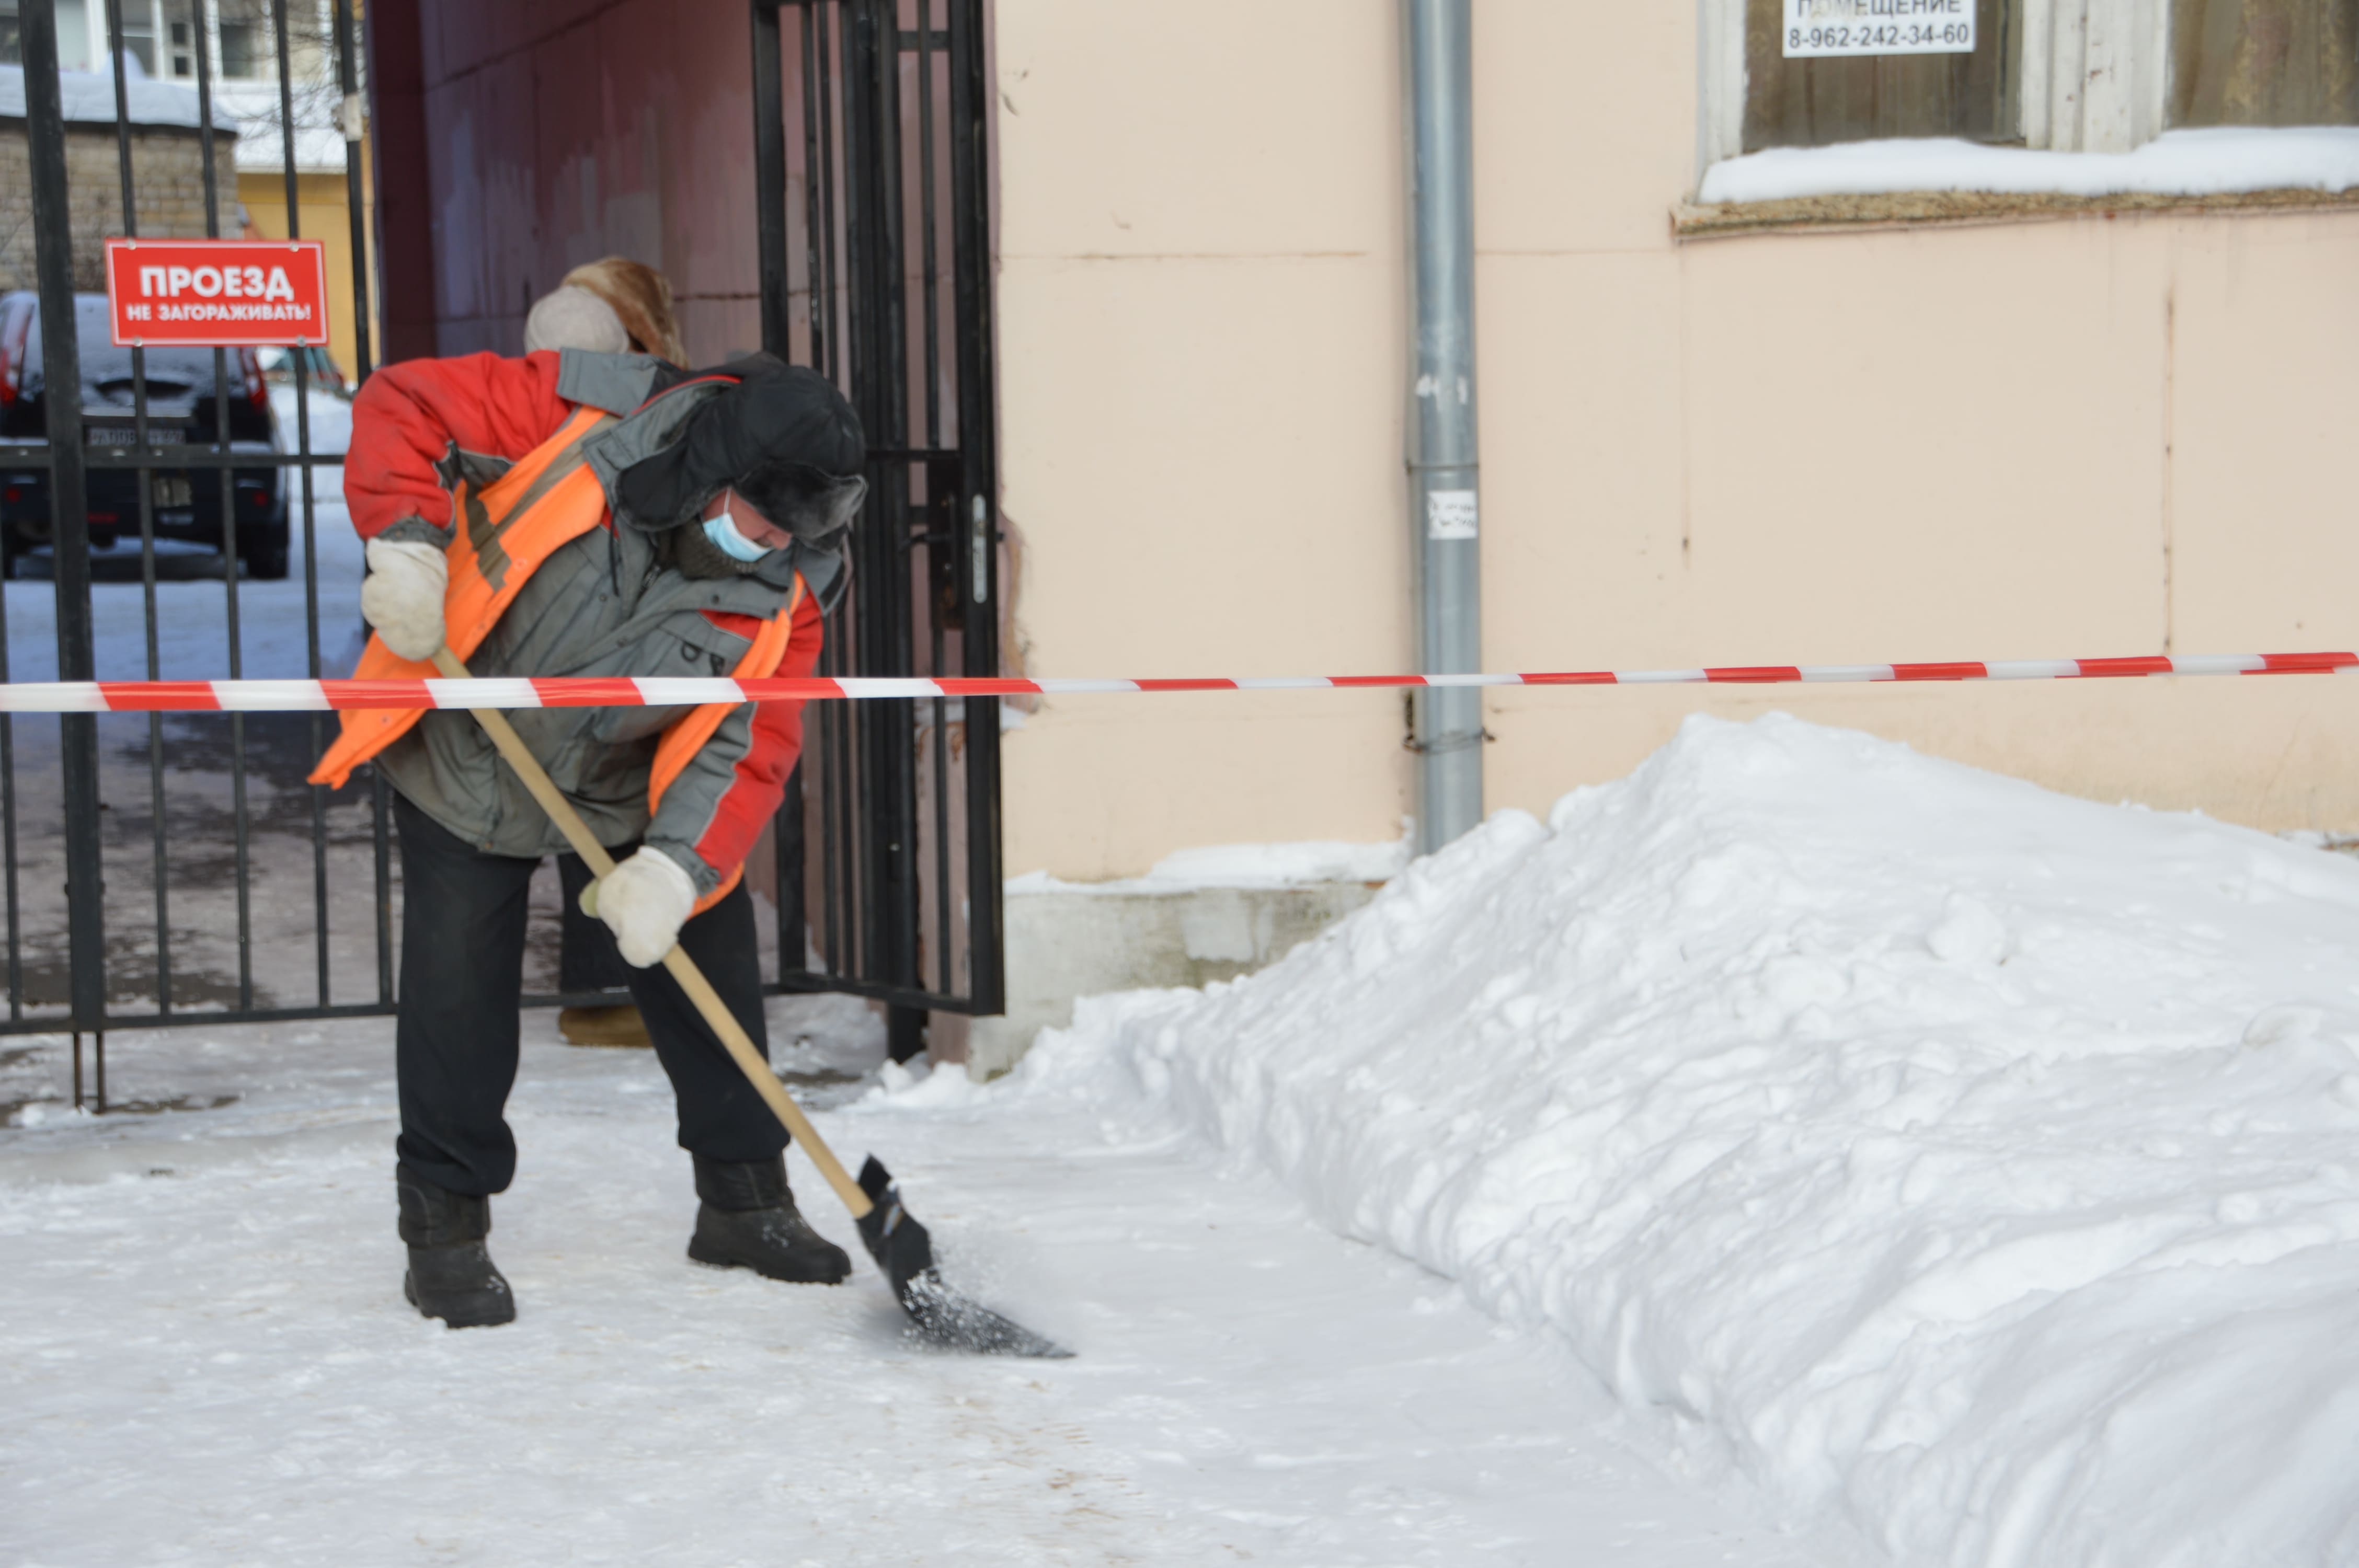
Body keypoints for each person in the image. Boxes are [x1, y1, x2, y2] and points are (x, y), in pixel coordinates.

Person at [309, 344, 867, 1329]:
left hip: (625, 780)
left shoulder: (794, 582)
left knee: (709, 958)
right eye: (763, 515)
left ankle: (744, 1202)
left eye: (797, 525)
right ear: (714, 468)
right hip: (470, 752)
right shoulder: (578, 415)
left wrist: (675, 869)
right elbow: (405, 400)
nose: (775, 539)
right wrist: (406, 539)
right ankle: (445, 1229)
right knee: (459, 984)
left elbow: (750, 740)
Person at [522, 259, 691, 1050]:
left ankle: (602, 993)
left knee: (598, 821)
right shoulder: (646, 409)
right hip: (611, 642)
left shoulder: (529, 404)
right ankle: (617, 997)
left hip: (577, 643)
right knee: (626, 818)